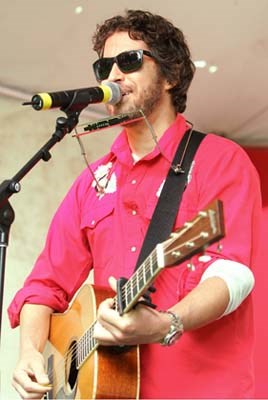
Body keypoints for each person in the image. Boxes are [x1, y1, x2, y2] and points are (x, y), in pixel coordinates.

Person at [8, 9, 262, 400]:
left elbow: (233, 276)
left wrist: (166, 323)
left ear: (171, 76)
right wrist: (28, 354)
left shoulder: (220, 160)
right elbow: (44, 286)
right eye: (103, 66)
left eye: (129, 61)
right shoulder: (91, 183)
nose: (112, 76)